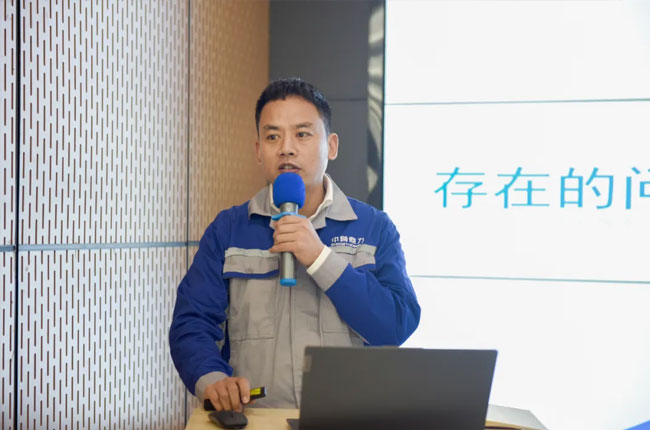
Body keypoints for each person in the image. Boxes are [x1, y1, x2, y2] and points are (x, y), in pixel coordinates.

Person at [169, 78, 420, 412]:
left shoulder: (374, 227)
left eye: (302, 134)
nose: (286, 148)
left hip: (348, 419)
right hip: (255, 418)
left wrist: (320, 258)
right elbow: (192, 322)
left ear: (331, 146)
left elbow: (395, 326)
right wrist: (212, 379)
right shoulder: (229, 229)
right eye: (273, 136)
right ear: (258, 151)